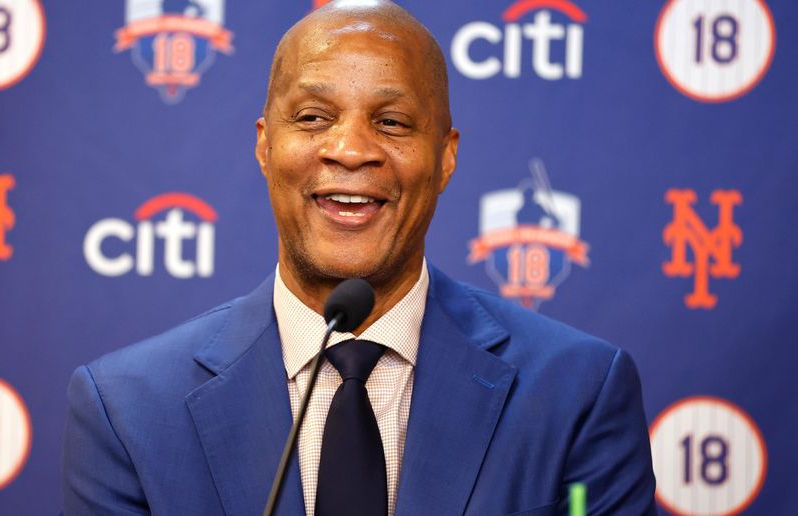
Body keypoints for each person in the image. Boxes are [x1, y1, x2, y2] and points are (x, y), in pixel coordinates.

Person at [62, 1, 657, 514]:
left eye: (392, 122)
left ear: (446, 157)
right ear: (266, 145)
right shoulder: (128, 409)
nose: (350, 150)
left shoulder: (578, 391)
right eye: (314, 118)